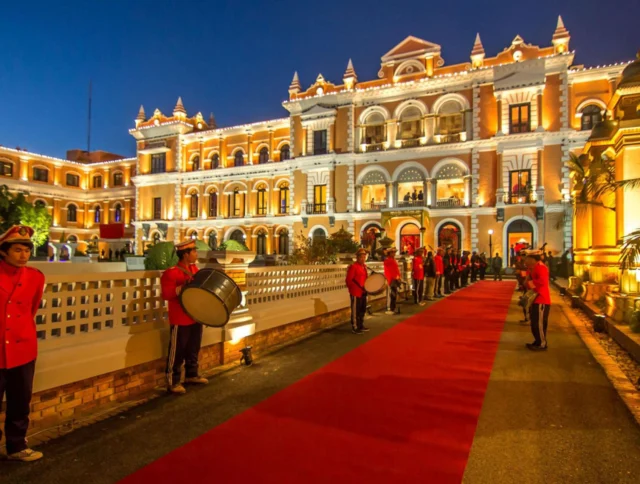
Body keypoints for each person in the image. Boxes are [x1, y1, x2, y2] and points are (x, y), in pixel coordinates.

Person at [0, 225, 45, 461]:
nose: (24, 255)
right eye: (17, 250)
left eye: (27, 250)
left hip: (23, 349)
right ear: (4, 251)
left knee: (20, 402)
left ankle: (17, 446)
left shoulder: (35, 277)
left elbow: (32, 308)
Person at [161, 239, 209, 395]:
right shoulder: (171, 272)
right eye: (194, 251)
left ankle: (191, 374)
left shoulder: (196, 269)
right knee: (177, 351)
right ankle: (173, 381)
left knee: (193, 348)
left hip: (195, 316)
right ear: (186, 254)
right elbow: (167, 295)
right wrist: (183, 287)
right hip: (180, 318)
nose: (196, 254)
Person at [524, 253, 551, 351]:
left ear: (532, 259)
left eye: (527, 259)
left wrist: (529, 283)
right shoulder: (535, 267)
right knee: (534, 322)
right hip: (536, 298)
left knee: (539, 323)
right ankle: (537, 341)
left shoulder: (541, 267)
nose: (525, 261)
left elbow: (542, 282)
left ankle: (542, 343)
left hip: (541, 299)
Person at [346, 248, 369, 334]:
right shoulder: (353, 267)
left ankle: (361, 325)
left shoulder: (364, 267)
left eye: (364, 257)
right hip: (356, 292)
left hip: (363, 291)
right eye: (361, 257)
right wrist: (353, 289)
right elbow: (349, 280)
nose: (362, 259)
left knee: (362, 309)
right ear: (357, 258)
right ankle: (355, 327)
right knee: (356, 310)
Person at [384, 247, 401, 315]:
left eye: (394, 252)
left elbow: (396, 270)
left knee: (394, 295)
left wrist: (398, 277)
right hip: (391, 280)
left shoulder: (393, 260)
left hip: (395, 279)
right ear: (389, 253)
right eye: (392, 252)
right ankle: (390, 308)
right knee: (391, 294)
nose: (394, 253)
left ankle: (392, 308)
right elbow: (390, 271)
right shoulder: (388, 261)